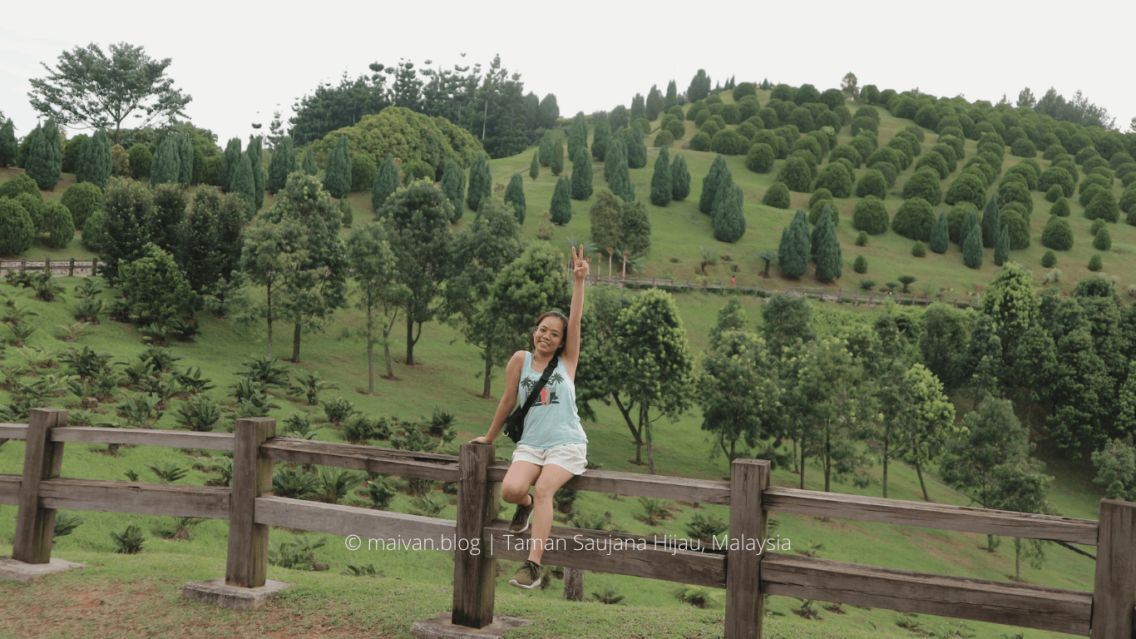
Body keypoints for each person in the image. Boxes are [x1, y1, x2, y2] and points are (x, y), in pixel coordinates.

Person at [469, 245, 590, 590]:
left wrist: (579, 281)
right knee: (511, 490)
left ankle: (533, 566)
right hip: (532, 443)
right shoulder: (519, 359)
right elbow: (507, 401)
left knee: (544, 491)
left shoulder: (567, 363)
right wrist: (489, 439)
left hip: (566, 444)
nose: (546, 336)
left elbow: (576, 319)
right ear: (534, 330)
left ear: (562, 342)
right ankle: (522, 508)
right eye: (542, 329)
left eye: (555, 333)